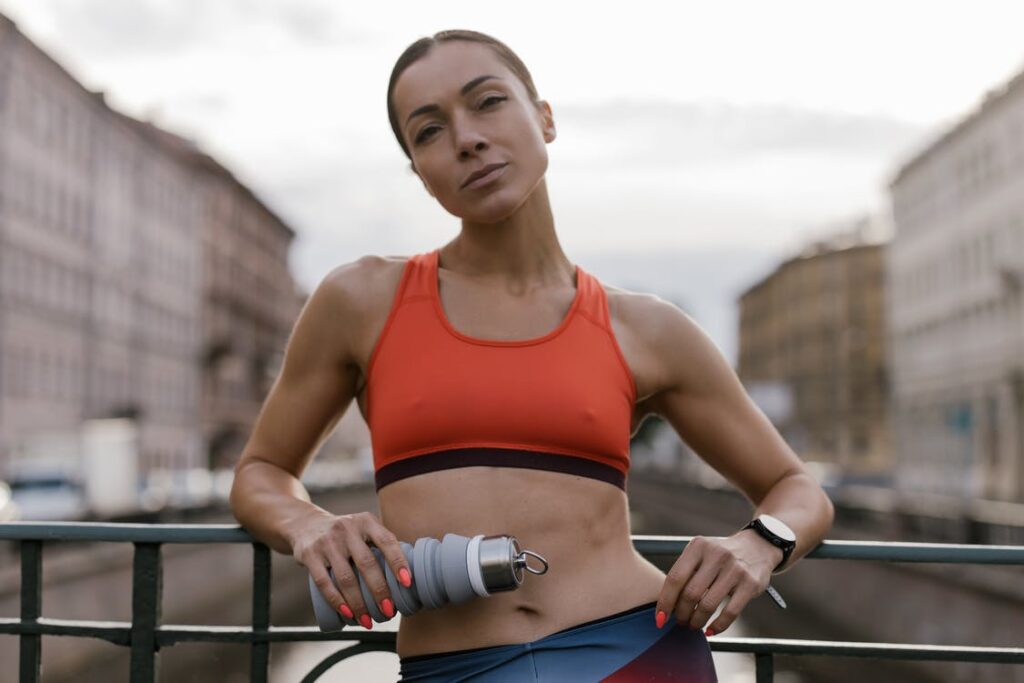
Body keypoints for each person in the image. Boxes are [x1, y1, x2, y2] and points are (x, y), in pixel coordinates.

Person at [229, 29, 835, 682]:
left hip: (637, 656)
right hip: (455, 668)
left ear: (544, 118)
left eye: (487, 102)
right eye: (429, 132)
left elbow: (798, 487)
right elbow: (261, 470)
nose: (466, 138)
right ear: (419, 171)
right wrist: (310, 525)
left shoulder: (647, 328)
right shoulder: (361, 300)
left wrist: (758, 542)